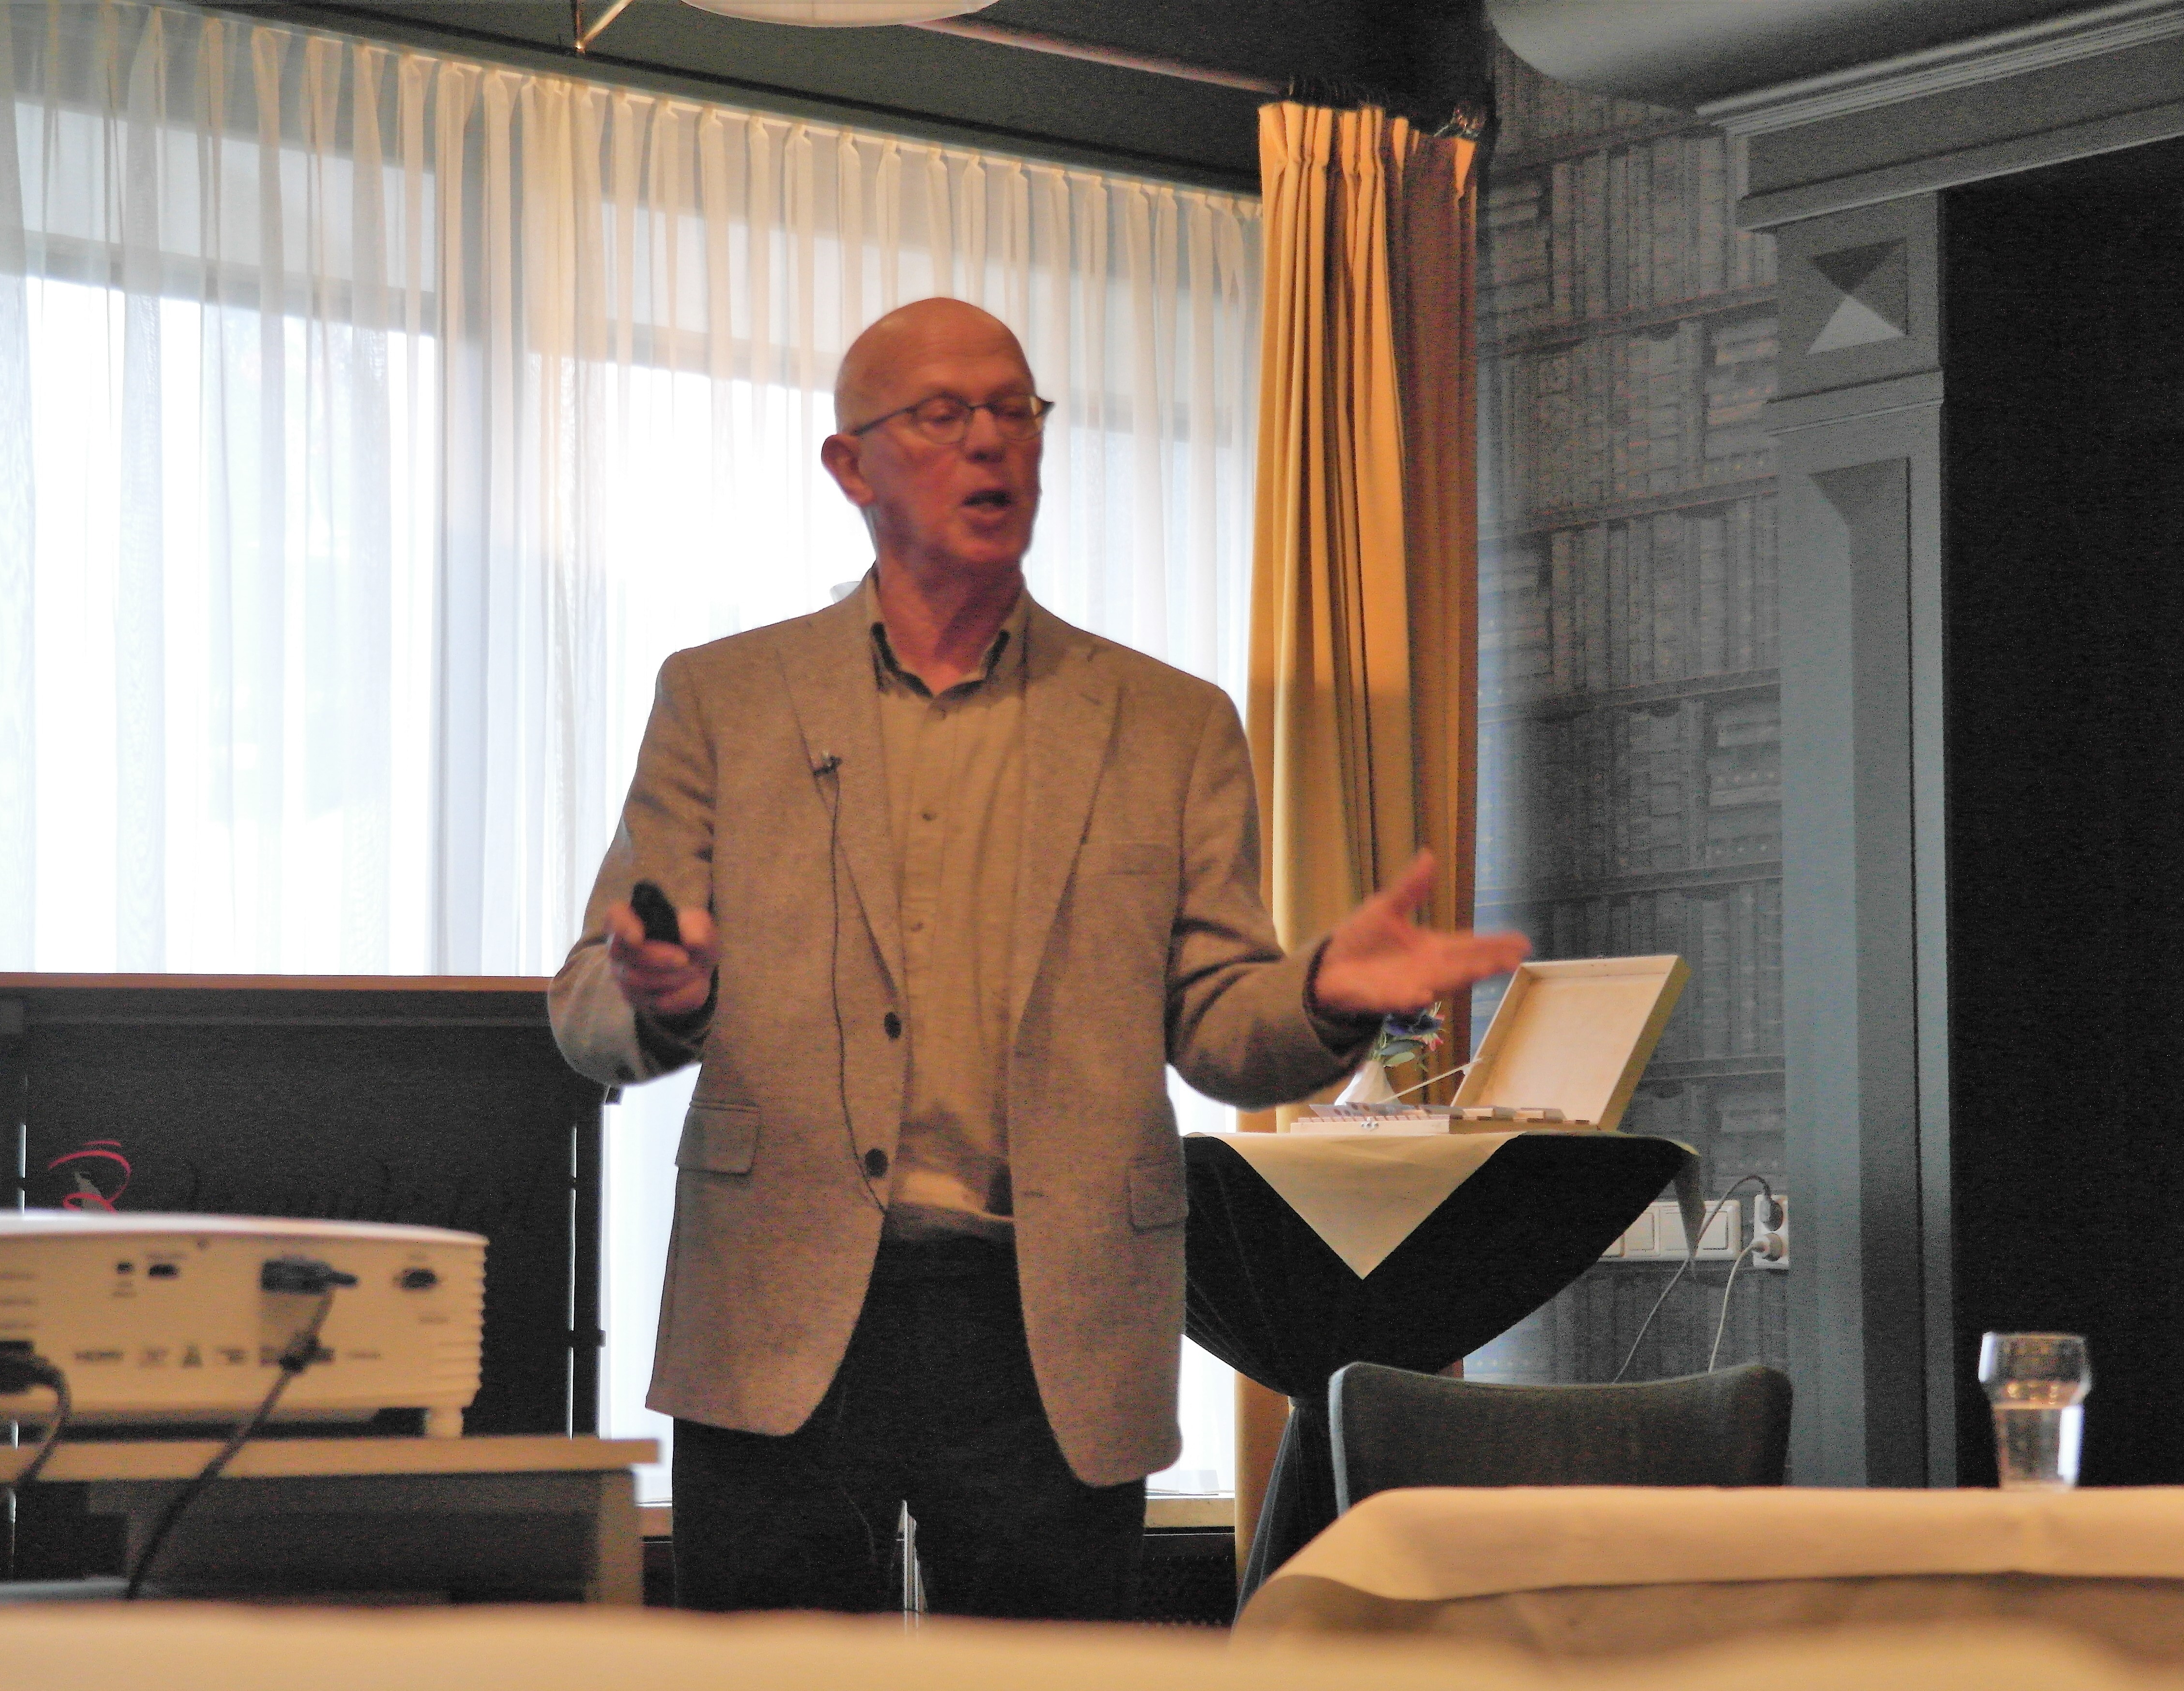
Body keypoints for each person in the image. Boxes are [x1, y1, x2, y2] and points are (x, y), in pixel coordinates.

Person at [549, 298, 1526, 1621]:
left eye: (1016, 410)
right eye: (942, 415)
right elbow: (586, 1005)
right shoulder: (724, 699)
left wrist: (1320, 997)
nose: (991, 442)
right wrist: (664, 996)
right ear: (849, 464)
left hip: (1053, 1320)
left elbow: (1220, 1029)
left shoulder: (1170, 724)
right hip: (778, 1302)